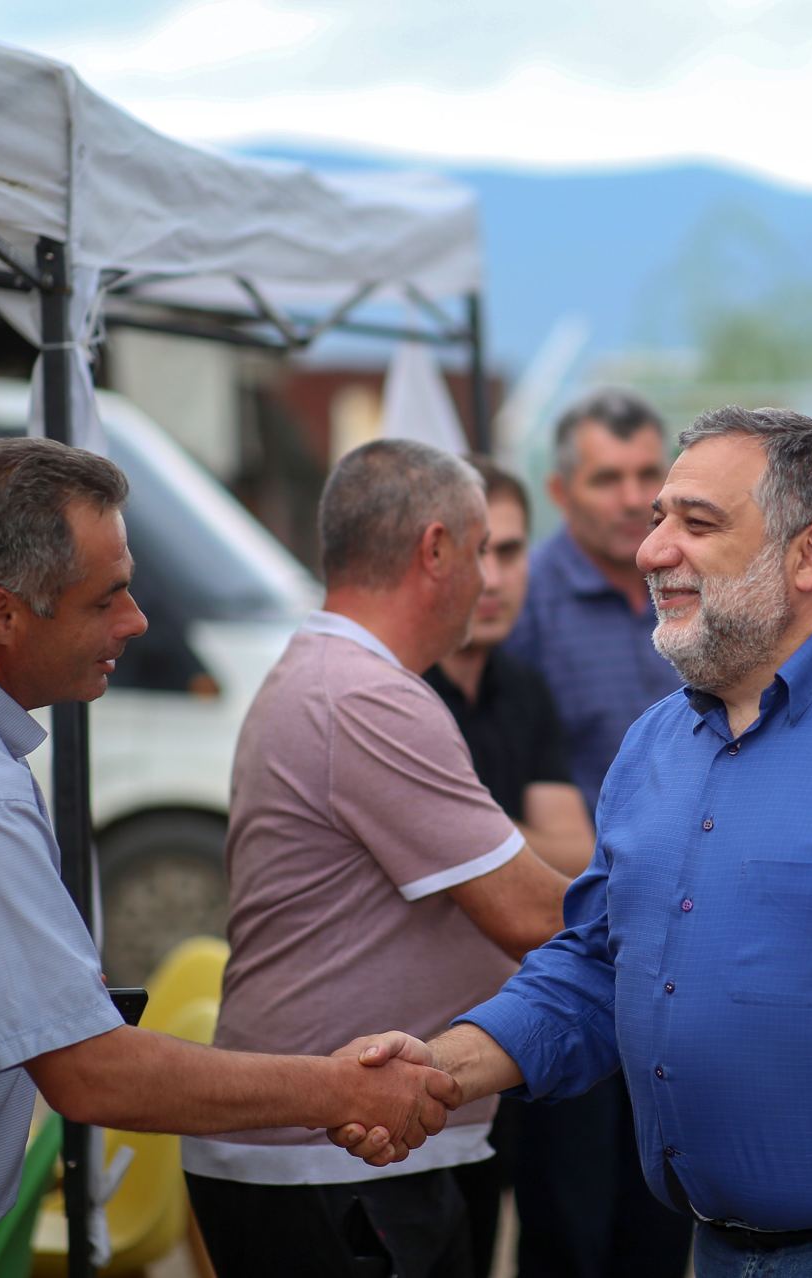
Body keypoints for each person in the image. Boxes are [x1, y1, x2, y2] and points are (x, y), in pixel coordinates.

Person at [0, 437, 459, 1278]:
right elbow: (92, 1076)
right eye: (105, 599)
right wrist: (344, 1090)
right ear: (1, 614)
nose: (137, 621)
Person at [335, 407, 812, 1278]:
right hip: (720, 1256)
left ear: (810, 555)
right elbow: (593, 967)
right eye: (660, 520)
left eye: (697, 524)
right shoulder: (655, 742)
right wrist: (441, 1068)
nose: (653, 550)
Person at [183, 439, 570, 1278]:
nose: (487, 579)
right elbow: (533, 916)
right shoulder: (367, 695)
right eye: (478, 551)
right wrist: (693, 901)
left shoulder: (335, 675)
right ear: (434, 550)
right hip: (333, 1165)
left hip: (340, 1159)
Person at [505, 390, 690, 1276]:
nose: (630, 497)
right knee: (572, 1223)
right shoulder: (528, 602)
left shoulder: (695, 590)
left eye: (647, 474)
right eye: (605, 477)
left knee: (667, 1212)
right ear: (560, 488)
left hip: (685, 959)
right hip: (578, 948)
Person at [423, 457, 595, 1276]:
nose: (492, 578)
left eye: (514, 550)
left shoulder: (523, 687)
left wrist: (475, 831)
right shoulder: (400, 692)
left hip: (523, 1030)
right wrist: (513, 836)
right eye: (474, 549)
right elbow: (536, 874)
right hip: (417, 1052)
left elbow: (579, 847)